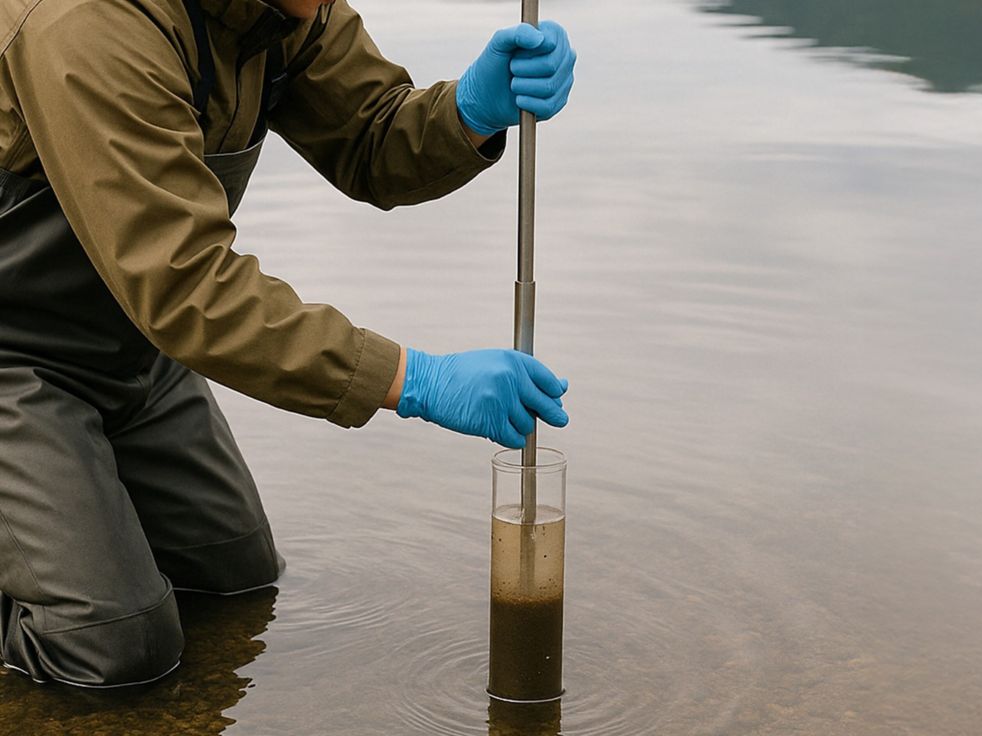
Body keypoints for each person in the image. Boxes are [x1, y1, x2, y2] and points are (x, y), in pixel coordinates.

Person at [0, 0, 576, 687]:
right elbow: (187, 287)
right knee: (113, 646)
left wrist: (469, 113)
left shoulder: (293, 8)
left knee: (235, 579)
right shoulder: (86, 21)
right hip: (18, 353)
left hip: (135, 344)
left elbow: (371, 136)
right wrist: (410, 379)